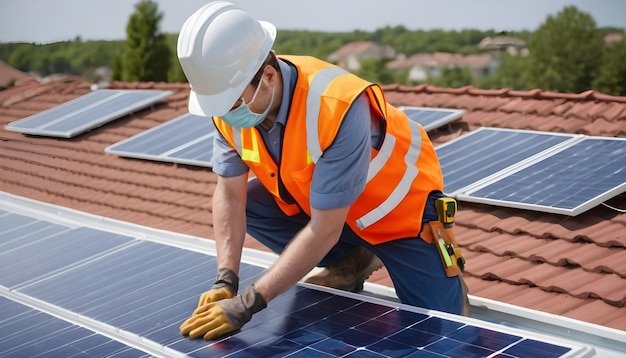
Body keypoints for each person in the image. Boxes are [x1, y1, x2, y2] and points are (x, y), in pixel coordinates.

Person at [176, 1, 469, 341]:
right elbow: (228, 194)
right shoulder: (229, 105)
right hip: (331, 209)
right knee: (251, 203)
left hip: (401, 217)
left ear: (267, 76)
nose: (224, 114)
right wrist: (226, 279)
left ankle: (428, 278)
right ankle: (352, 259)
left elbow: (324, 229)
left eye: (231, 103)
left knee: (446, 333)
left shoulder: (336, 104)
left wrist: (249, 302)